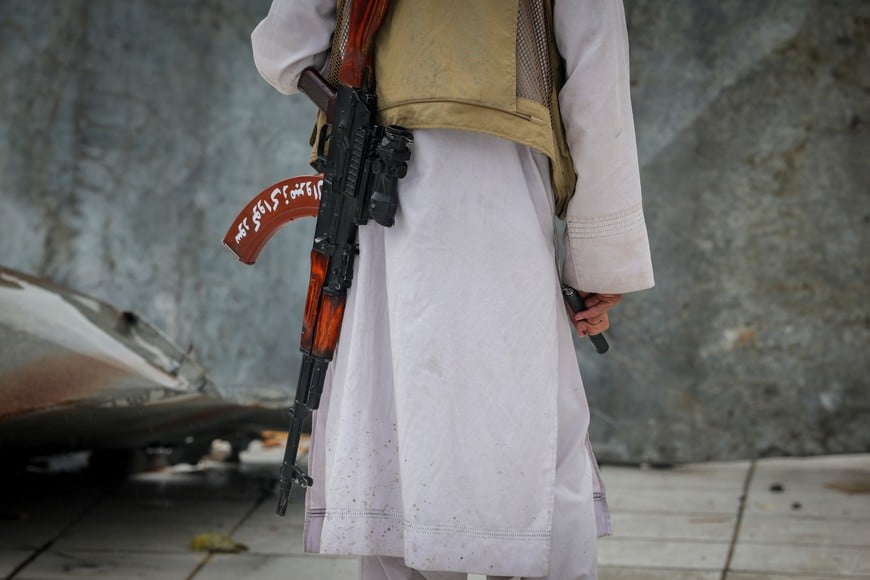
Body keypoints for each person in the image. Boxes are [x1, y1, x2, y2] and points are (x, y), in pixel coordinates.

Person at [251, 1, 654, 578]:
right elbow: (597, 76)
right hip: (505, 195)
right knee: (534, 448)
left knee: (396, 438)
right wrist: (599, 260)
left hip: (388, 191)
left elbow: (282, 49)